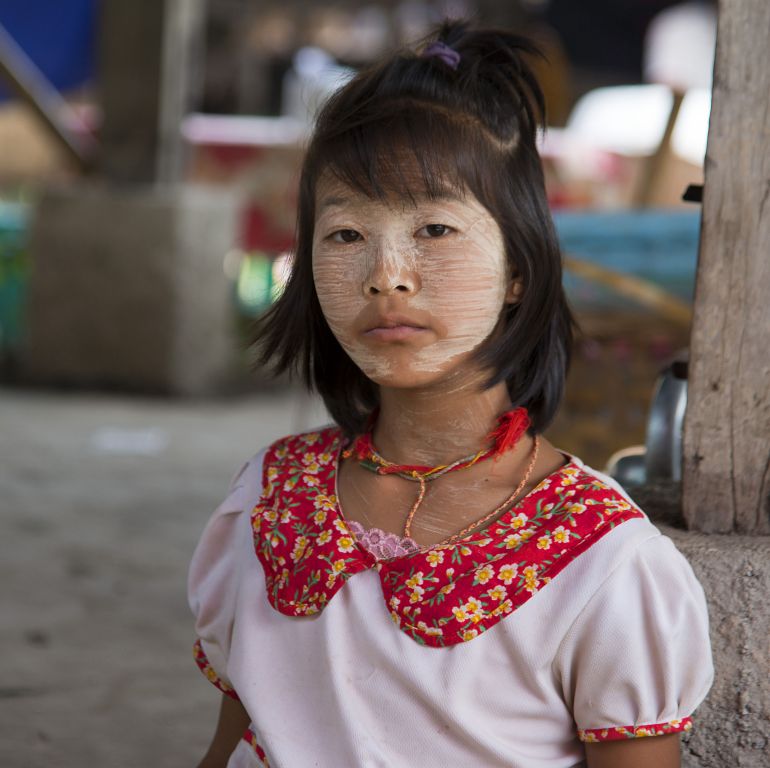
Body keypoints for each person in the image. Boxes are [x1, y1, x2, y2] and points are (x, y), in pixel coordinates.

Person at [189, 20, 713, 768]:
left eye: (434, 228)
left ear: (518, 272)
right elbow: (229, 745)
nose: (386, 274)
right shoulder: (268, 501)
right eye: (344, 235)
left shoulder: (605, 563)